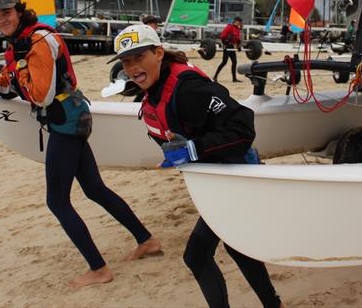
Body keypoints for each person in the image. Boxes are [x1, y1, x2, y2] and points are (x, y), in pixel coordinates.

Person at [0, 0, 160, 288]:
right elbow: (7, 88)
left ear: (19, 11)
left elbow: (41, 94)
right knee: (94, 189)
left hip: (66, 122)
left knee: (57, 201)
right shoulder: (22, 44)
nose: (2, 20)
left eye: (7, 13)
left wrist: (22, 66)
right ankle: (147, 240)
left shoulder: (39, 41)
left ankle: (99, 269)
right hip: (71, 119)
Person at [112, 24, 282, 308]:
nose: (132, 67)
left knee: (198, 255)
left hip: (236, 176)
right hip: (215, 181)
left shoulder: (189, 89)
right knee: (234, 248)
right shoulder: (152, 90)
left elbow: (243, 125)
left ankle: (274, 305)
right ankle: (274, 305)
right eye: (126, 61)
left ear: (158, 53)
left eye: (139, 57)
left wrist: (193, 149)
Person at [214, 16, 243, 83]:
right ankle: (215, 77)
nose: (240, 23)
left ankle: (234, 79)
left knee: (234, 62)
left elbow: (237, 40)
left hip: (232, 47)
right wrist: (225, 42)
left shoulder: (237, 29)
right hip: (227, 47)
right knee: (224, 62)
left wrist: (238, 46)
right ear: (236, 21)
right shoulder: (229, 27)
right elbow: (222, 36)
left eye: (240, 22)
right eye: (239, 22)